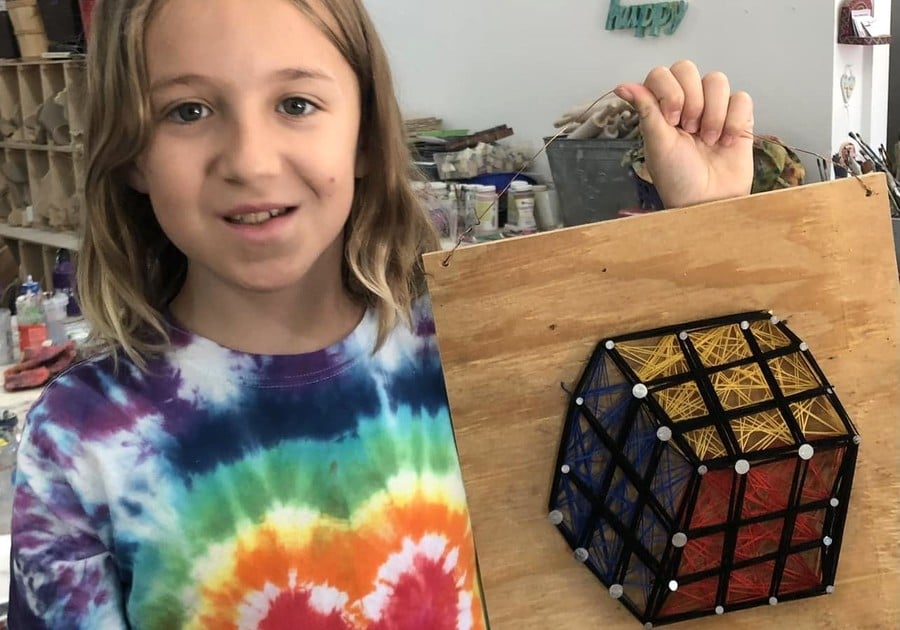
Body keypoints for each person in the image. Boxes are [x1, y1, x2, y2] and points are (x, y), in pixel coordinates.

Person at [7, 0, 754, 626]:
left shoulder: (471, 354)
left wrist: (709, 224)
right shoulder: (81, 437)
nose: (252, 160)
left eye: (296, 103)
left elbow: (696, 499)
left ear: (365, 136)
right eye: (188, 110)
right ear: (132, 151)